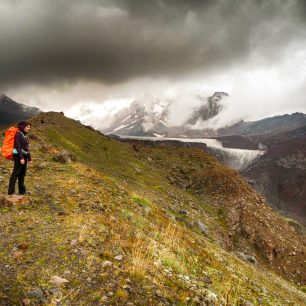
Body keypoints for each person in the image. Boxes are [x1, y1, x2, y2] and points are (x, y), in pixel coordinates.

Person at [8, 121, 32, 195]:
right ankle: (11, 191)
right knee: (16, 173)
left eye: (29, 127)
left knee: (22, 173)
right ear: (23, 127)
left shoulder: (25, 135)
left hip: (24, 156)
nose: (29, 129)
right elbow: (17, 146)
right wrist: (21, 158)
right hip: (18, 156)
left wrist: (29, 158)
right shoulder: (18, 134)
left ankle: (22, 191)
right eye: (27, 127)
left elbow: (26, 148)